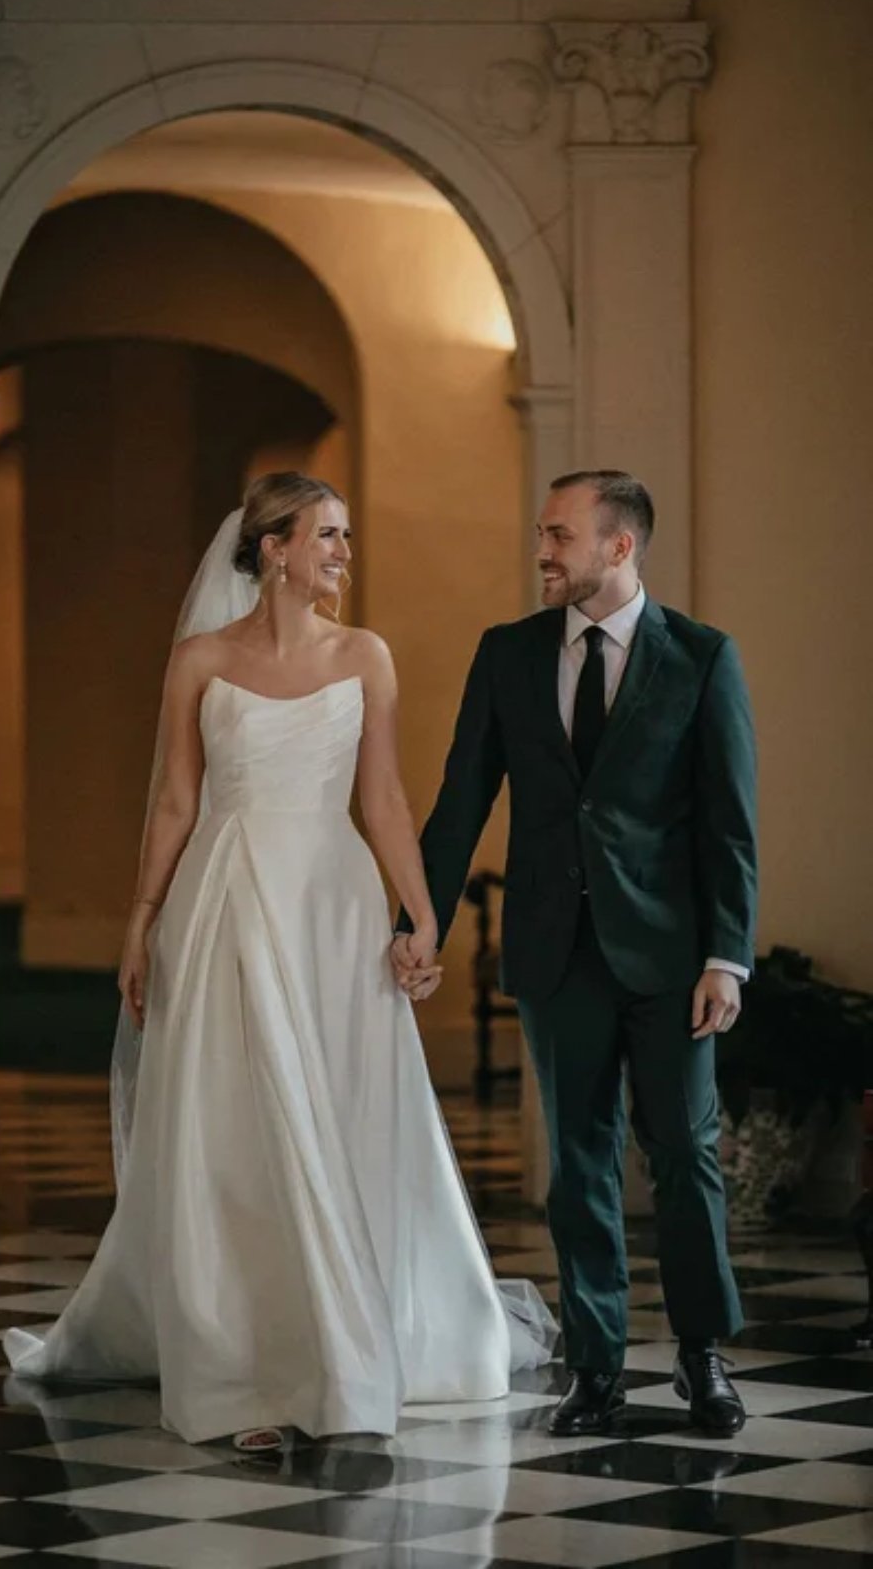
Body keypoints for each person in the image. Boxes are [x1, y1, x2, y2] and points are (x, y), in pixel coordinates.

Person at [5, 471, 556, 1451]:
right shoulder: (197, 660)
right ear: (272, 547)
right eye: (328, 535)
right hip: (218, 903)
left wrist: (422, 920)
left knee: (335, 1110)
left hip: (329, 909)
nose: (343, 553)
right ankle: (242, 1360)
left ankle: (348, 1342)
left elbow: (382, 800)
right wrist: (138, 921)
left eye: (346, 537)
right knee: (231, 1122)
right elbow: (175, 802)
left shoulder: (365, 656)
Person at [394, 470, 756, 1438]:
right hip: (555, 950)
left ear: (618, 546)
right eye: (540, 535)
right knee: (579, 1164)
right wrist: (416, 922)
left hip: (671, 956)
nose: (541, 551)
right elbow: (461, 797)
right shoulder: (507, 653)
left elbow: (727, 824)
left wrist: (727, 955)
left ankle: (700, 1358)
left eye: (558, 535)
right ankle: (594, 1369)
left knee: (683, 1152)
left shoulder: (700, 658)